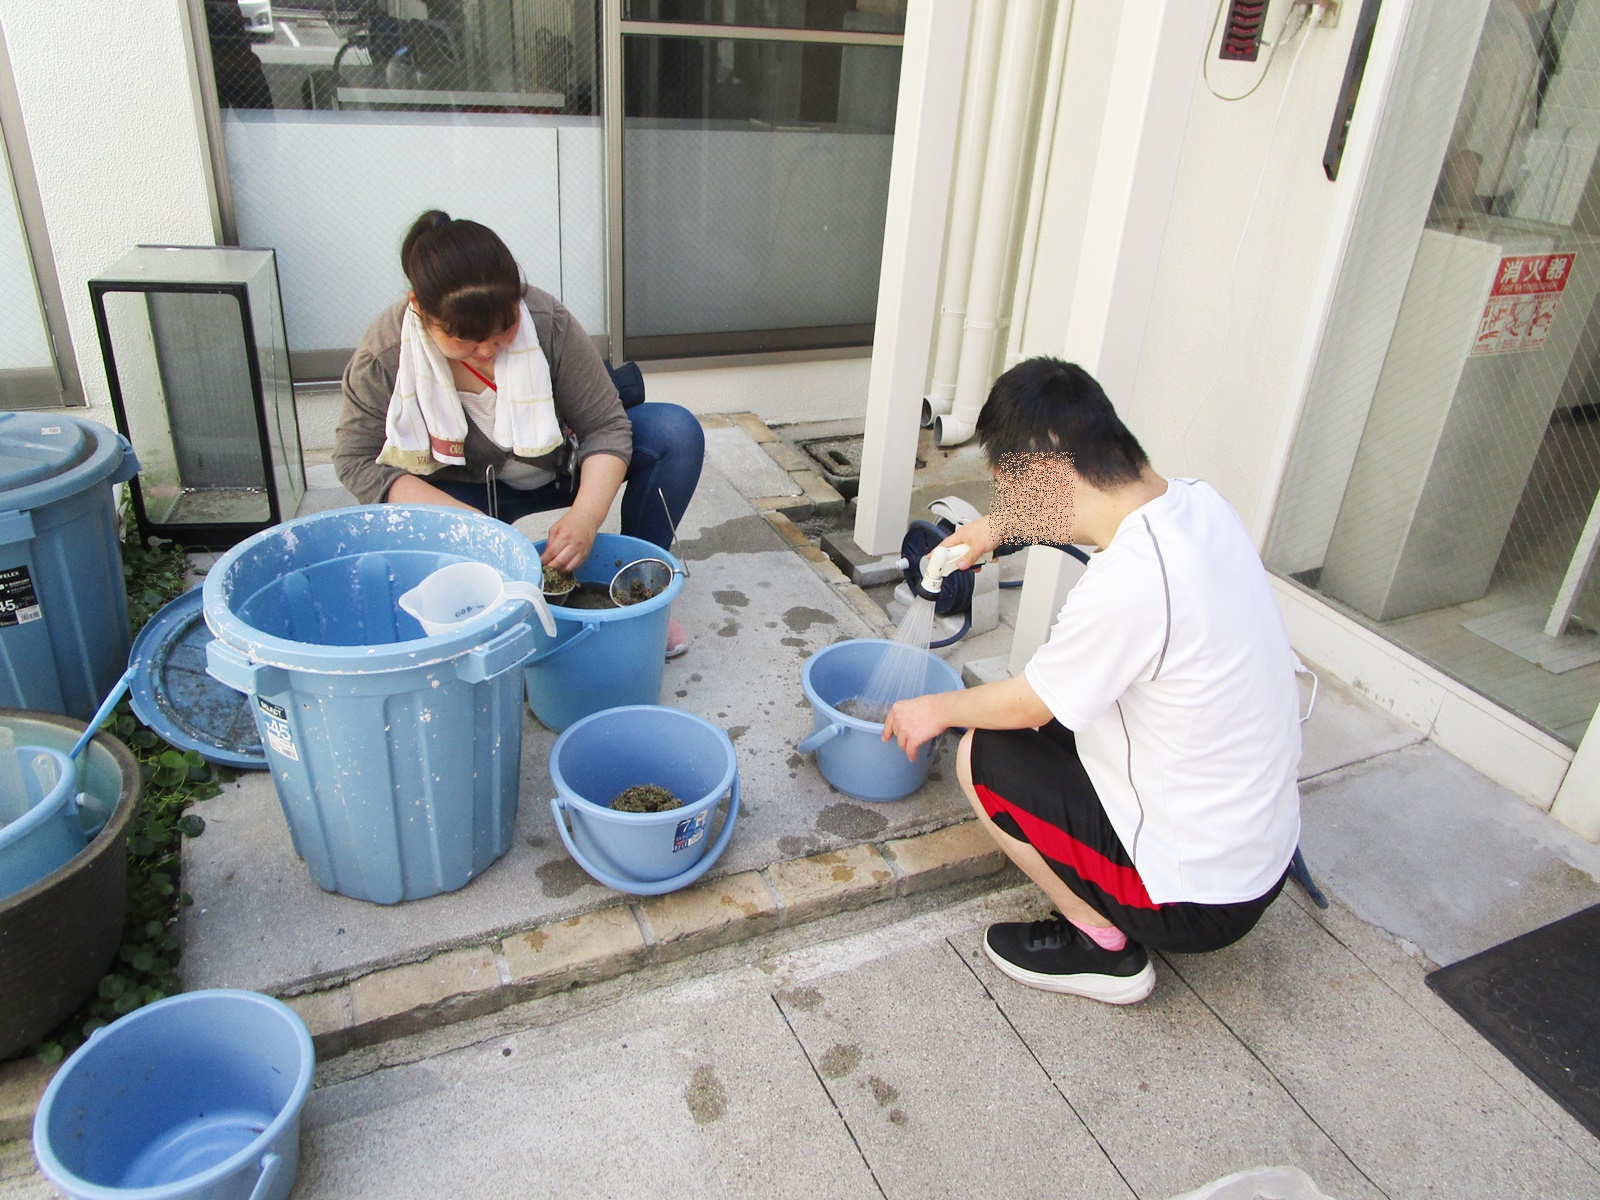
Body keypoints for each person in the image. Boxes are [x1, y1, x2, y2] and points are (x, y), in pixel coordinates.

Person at [881, 359, 1301, 1005]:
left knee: (987, 754)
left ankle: (1102, 947)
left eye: (1010, 490)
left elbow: (1027, 705)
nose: (1009, 505)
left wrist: (933, 708)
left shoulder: (1131, 583)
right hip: (1254, 851)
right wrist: (998, 529)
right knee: (1052, 720)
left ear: (1049, 473)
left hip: (1195, 898)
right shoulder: (1197, 504)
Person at [335, 211, 704, 656]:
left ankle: (632, 592)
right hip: (460, 491)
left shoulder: (547, 320)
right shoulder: (387, 352)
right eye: (466, 340)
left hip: (555, 468)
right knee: (435, 614)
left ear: (517, 298)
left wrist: (585, 518)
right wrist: (474, 528)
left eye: (504, 328)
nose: (488, 350)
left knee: (674, 432)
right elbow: (356, 460)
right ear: (420, 309)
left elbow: (605, 425)